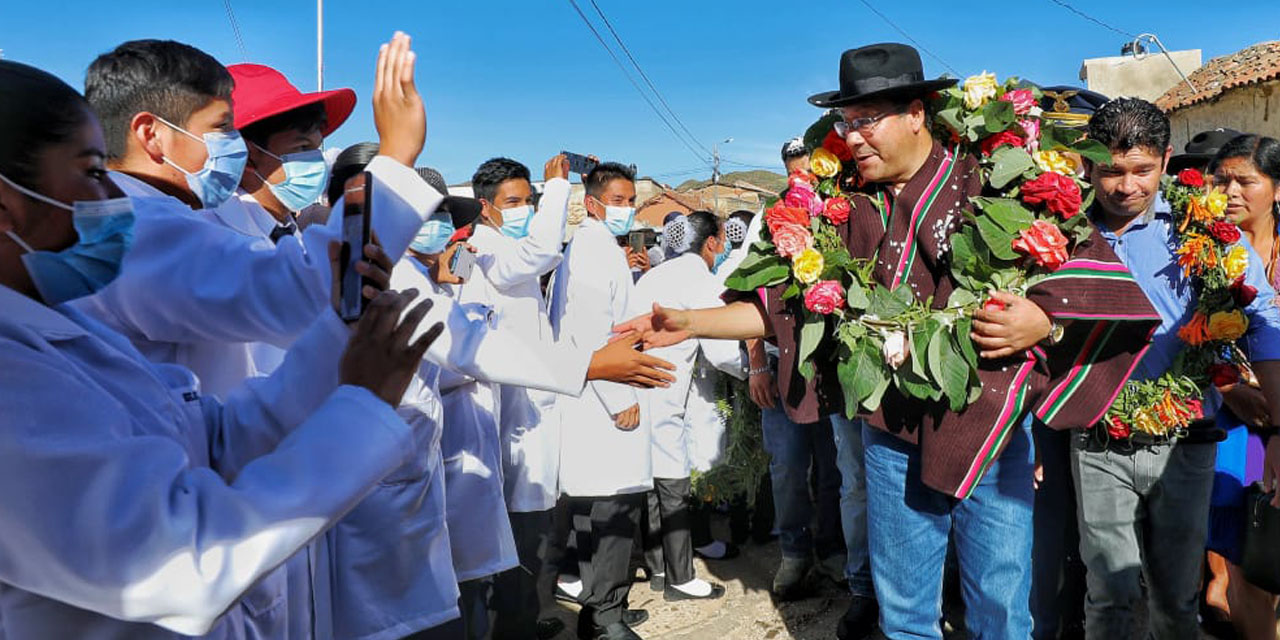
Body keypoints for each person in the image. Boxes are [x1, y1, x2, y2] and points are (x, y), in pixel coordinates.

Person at [617, 43, 1161, 640]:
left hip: (993, 423)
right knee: (903, 614)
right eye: (846, 122)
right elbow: (781, 305)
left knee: (1001, 611)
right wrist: (689, 323)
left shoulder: (998, 177)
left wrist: (1044, 322)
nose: (852, 137)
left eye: (867, 120)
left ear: (917, 114)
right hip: (889, 430)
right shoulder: (836, 206)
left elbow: (1092, 281)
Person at [0, 58, 445, 638]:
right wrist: (360, 405)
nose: (113, 195)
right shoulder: (13, 377)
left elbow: (209, 437)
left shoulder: (59, 328)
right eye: (91, 173)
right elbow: (180, 560)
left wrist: (349, 361)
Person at [1072, 99, 1280, 639]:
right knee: (1110, 594)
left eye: (1142, 170)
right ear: (1088, 163)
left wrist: (1277, 430)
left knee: (1175, 596)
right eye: (1110, 171)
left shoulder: (1208, 232)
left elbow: (1262, 324)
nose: (1125, 187)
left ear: (1166, 160)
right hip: (1097, 441)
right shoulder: (1062, 233)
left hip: (1188, 443)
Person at [549, 161, 650, 640]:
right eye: (617, 201)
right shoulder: (592, 251)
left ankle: (603, 608)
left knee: (599, 510)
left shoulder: (596, 246)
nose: (626, 210)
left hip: (595, 393)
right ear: (591, 203)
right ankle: (605, 616)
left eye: (630, 201)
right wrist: (618, 396)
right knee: (612, 513)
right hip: (602, 394)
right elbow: (593, 331)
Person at [1028, 84, 1107, 640]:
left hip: (1103, 395)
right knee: (1045, 527)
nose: (1068, 163)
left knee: (1095, 532)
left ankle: (1079, 614)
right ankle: (1046, 622)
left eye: (1077, 148)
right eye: (1057, 146)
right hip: (1041, 403)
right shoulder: (1020, 218)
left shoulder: (1116, 216)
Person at [632, 211, 742, 603]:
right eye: (722, 239)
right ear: (711, 242)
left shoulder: (657, 274)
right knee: (673, 480)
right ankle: (681, 578)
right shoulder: (698, 278)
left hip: (637, 385)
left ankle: (658, 566)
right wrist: (755, 373)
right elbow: (722, 349)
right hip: (664, 386)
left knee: (649, 478)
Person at [1204, 134, 1280, 640]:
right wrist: (1230, 387)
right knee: (1243, 570)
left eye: (1244, 180)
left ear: (1276, 188)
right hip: (1231, 430)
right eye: (1221, 180)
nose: (1230, 191)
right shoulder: (1200, 254)